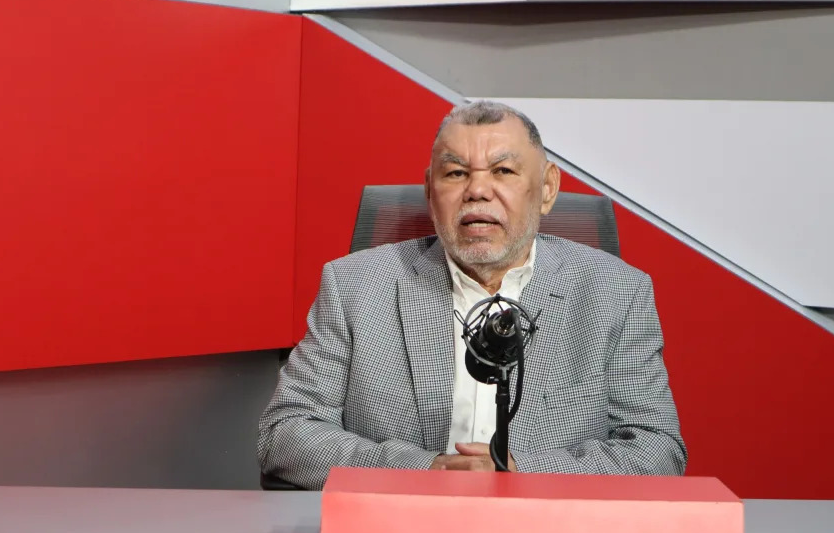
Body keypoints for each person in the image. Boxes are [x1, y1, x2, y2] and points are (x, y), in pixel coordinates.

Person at [257, 100, 686, 490]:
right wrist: (422, 471)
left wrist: (523, 475)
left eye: (503, 171)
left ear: (547, 189)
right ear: (430, 192)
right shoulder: (354, 286)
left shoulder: (616, 293)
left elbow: (657, 449)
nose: (477, 191)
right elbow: (286, 431)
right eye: (456, 173)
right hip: (401, 529)